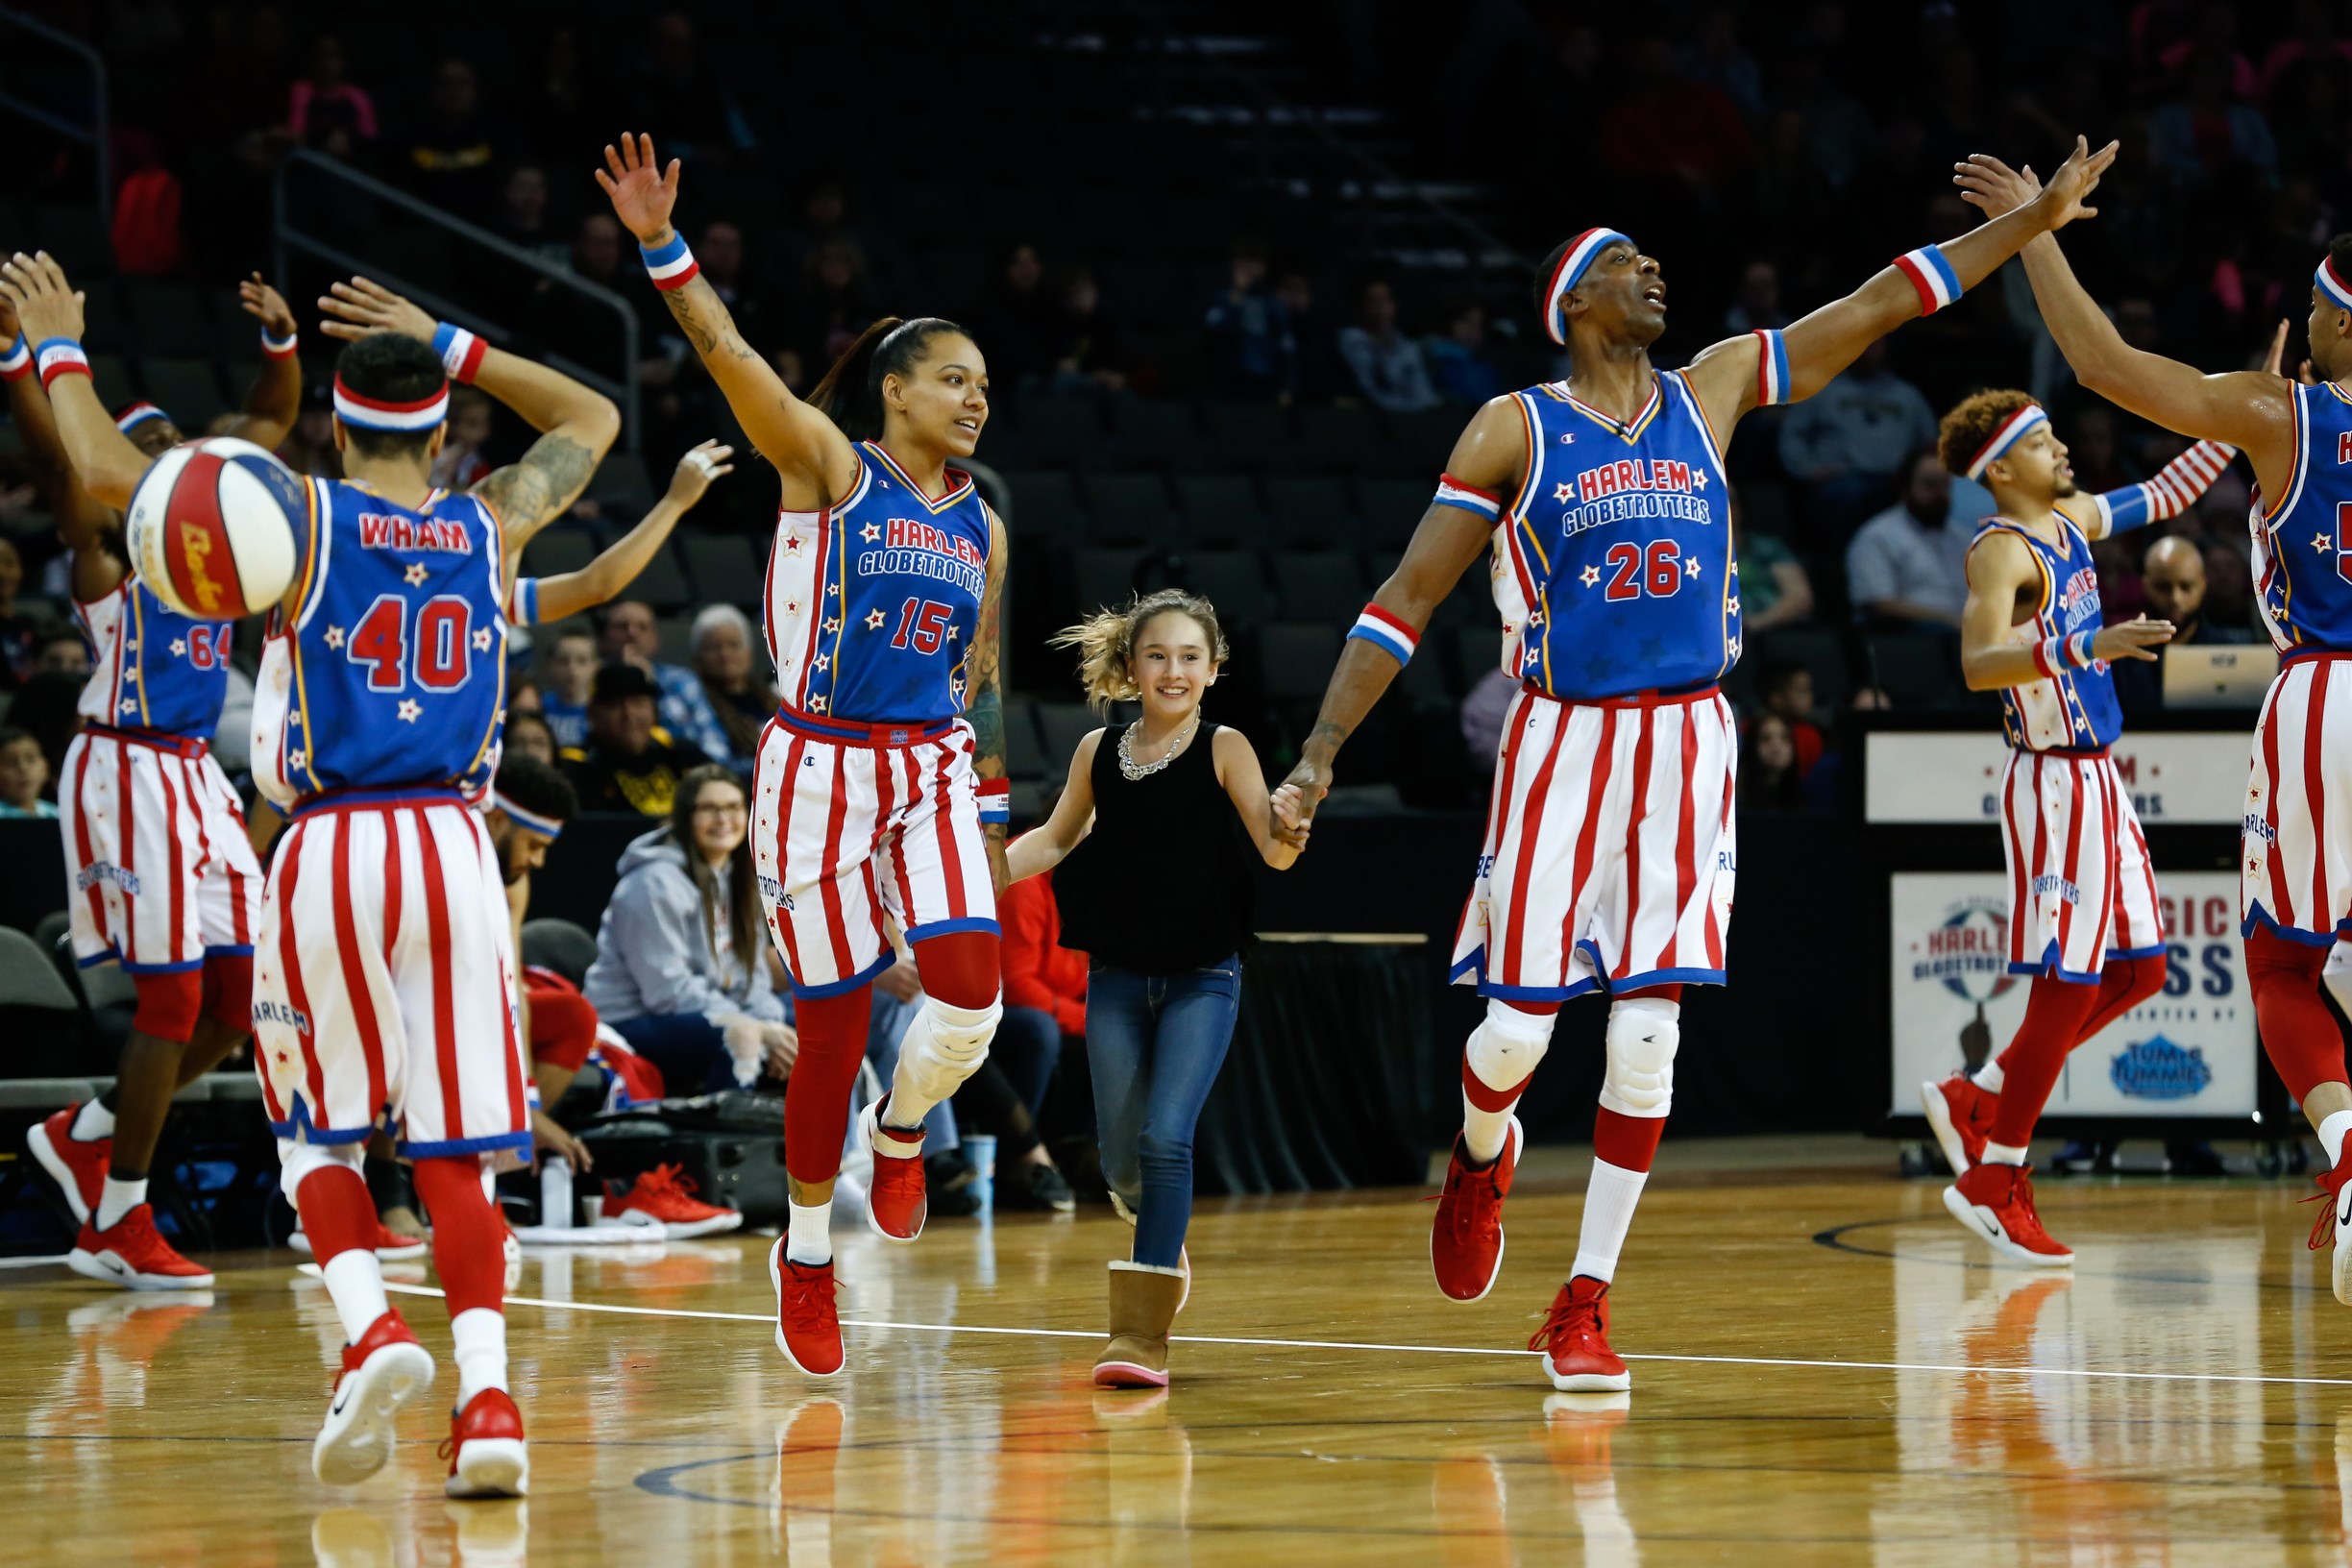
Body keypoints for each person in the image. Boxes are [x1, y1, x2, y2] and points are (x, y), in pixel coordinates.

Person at [1270, 143, 2117, 1394]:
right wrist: (1316, 757)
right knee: (1512, 1035)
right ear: (1573, 303)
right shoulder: (1518, 426)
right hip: (1561, 738)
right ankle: (1480, 1150)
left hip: (1688, 738)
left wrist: (2029, 226)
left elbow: (1885, 301)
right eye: (1626, 263)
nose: (1654, 271)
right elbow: (1404, 597)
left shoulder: (1712, 386)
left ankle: (1585, 1300)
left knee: (1649, 1040)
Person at [7, 246, 617, 1494]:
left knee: (317, 1135)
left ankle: (373, 1333)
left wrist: (59, 350)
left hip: (330, 846)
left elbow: (117, 477)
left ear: (337, 425)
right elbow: (594, 415)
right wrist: (446, 337)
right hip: (455, 842)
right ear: (444, 428)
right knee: (452, 1153)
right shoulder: (487, 521)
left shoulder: (298, 519)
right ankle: (490, 1401)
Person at [600, 132, 1014, 1377]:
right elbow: (730, 361)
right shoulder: (829, 465)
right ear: (896, 389)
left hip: (929, 761)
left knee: (974, 992)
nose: (975, 397)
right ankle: (807, 1253)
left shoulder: (984, 520)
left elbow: (977, 679)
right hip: (817, 765)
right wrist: (665, 249)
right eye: (954, 379)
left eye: (985, 383)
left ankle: (902, 1133)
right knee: (827, 1025)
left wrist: (986, 798)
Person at [1959, 149, 2352, 1302]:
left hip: (2325, 694)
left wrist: (2036, 227)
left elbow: (2100, 360)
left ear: (2334, 329)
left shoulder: (2285, 414)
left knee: (2282, 958)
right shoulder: (2012, 543)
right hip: (2056, 768)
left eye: (2318, 313)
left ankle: (2343, 1152)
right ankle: (1992, 1135)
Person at [1, 269, 301, 1292]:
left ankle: (88, 1135)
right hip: (124, 764)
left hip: (192, 777)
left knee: (244, 995)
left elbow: (268, 423)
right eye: (149, 443)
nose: (176, 452)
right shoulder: (110, 547)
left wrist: (280, 347)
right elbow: (52, 456)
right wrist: (27, 353)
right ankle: (118, 1218)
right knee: (170, 998)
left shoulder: (220, 536)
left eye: (179, 438)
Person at [1917, 389, 2187, 1262]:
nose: (2063, 448)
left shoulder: (2070, 517)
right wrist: (2084, 647)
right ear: (2001, 468)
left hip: (2099, 775)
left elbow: (2163, 493)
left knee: (2144, 971)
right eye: (2041, 441)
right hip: (2052, 782)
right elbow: (1976, 662)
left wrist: (2249, 412)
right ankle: (1995, 1172)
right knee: (2067, 984)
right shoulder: (1999, 552)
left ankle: (1981, 1092)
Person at [1012, 590, 1302, 1388]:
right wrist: (969, 881)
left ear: (1213, 670)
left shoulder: (1226, 746)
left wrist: (1290, 822)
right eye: (1157, 655)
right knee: (1121, 1160)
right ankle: (1158, 1241)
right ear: (1132, 666)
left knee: (1167, 1138)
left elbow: (1274, 856)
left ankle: (1140, 1336)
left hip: (1203, 977)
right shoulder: (1096, 752)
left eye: (1189, 657)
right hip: (1115, 977)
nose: (1173, 670)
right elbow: (1054, 839)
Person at [584, 764, 796, 1093]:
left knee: (807, 1034)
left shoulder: (741, 882)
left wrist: (770, 1023)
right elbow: (666, 992)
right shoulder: (652, 883)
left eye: (733, 807)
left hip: (697, 1014)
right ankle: (727, 1143)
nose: (723, 819)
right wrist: (755, 1028)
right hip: (627, 1023)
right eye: (710, 809)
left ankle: (830, 1145)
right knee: (739, 1037)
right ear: (686, 817)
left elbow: (752, 977)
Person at [2112, 533, 2256, 713]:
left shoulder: (2231, 654)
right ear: (2145, 586)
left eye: (2186, 586)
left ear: (2203, 584)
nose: (2175, 599)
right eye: (2163, 587)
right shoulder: (2120, 660)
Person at [599, 599, 732, 764]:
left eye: (642, 627)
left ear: (655, 640)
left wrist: (652, 686)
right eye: (621, 626)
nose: (632, 633)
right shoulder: (591, 680)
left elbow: (716, 747)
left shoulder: (683, 681)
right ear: (603, 639)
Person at [566, 664, 709, 816]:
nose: (629, 715)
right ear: (592, 714)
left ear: (655, 710)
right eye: (615, 705)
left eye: (638, 703)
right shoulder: (577, 766)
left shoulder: (679, 752)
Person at [1337, 280, 1440, 414]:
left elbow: (1423, 393)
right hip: (1376, 418)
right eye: (1374, 300)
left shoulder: (1407, 346)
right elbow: (1369, 391)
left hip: (1411, 418)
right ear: (1361, 306)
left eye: (1386, 300)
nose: (1381, 307)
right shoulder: (1351, 341)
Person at [690, 602, 774, 767]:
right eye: (714, 648)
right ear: (697, 659)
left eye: (733, 645)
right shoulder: (697, 705)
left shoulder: (773, 697)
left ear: (748, 653)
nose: (725, 655)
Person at [537, 628, 597, 751]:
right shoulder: (538, 707)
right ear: (549, 665)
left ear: (595, 666)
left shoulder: (603, 711)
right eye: (563, 661)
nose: (572, 669)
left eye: (582, 661)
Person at [0, 723, 57, 817]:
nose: (23, 768)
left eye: (31, 759)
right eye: (10, 762)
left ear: (45, 768)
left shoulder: (55, 814)